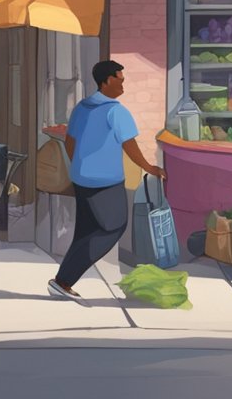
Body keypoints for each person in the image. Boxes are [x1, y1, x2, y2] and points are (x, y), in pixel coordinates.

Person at [49, 60, 165, 302]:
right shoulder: (116, 111)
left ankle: (62, 282)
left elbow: (70, 142)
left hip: (82, 179)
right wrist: (149, 167)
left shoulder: (82, 107)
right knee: (113, 227)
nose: (123, 85)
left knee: (85, 232)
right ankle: (64, 279)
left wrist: (80, 165)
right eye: (120, 80)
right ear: (107, 81)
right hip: (106, 181)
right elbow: (130, 145)